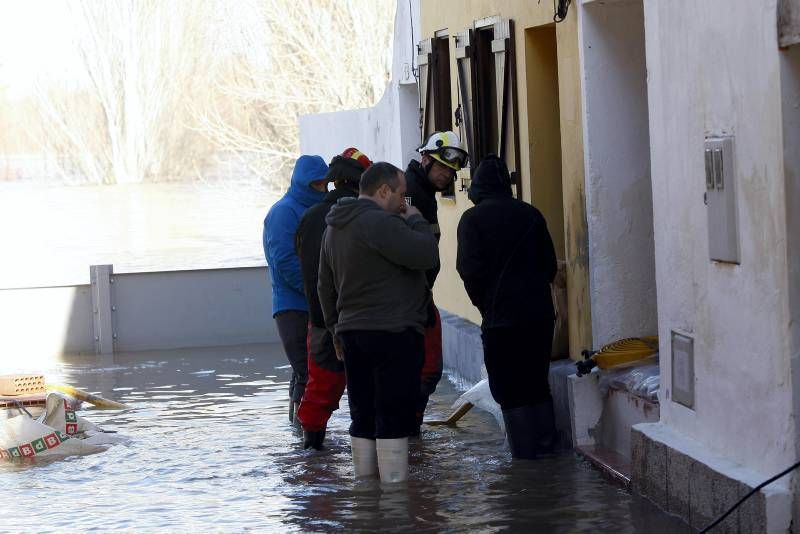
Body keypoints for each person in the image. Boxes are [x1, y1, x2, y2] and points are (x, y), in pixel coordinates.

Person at [318, 162, 438, 483]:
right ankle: (395, 502)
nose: (404, 201)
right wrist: (416, 219)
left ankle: (367, 497)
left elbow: (323, 287)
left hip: (352, 334)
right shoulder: (379, 223)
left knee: (362, 413)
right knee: (393, 413)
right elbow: (427, 254)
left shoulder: (334, 228)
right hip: (392, 333)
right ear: (383, 191)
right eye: (402, 194)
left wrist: (334, 330)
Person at [455, 155, 558, 459]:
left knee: (510, 392)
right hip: (538, 317)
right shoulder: (531, 215)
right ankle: (548, 455)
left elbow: (468, 270)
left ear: (478, 187)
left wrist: (485, 304)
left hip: (501, 321)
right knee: (537, 384)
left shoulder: (471, 220)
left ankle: (525, 464)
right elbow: (549, 266)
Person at [294, 147, 372, 450]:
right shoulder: (364, 217)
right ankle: (371, 460)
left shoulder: (309, 217)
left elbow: (301, 260)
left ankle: (311, 453)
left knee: (320, 388)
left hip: (319, 320)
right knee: (368, 390)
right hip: (360, 318)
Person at [405, 130, 469, 435]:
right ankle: (408, 431)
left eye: (451, 171)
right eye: (443, 168)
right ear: (425, 159)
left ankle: (409, 431)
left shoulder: (422, 193)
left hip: (419, 295)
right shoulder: (409, 195)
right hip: (410, 299)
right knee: (426, 370)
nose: (447, 176)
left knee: (426, 370)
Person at [263, 154, 329, 421]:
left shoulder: (313, 211)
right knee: (307, 370)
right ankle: (305, 434)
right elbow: (284, 262)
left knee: (306, 371)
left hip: (311, 302)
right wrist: (316, 292)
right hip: (292, 306)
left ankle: (300, 430)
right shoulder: (283, 212)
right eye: (317, 185)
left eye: (325, 184)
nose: (322, 190)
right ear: (304, 184)